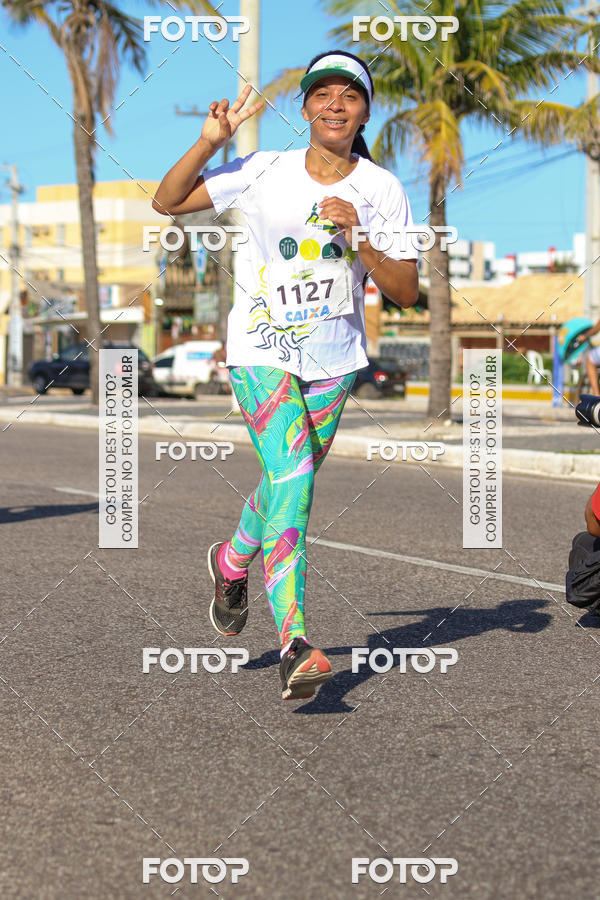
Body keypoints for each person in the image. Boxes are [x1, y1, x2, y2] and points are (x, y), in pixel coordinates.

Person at [152, 50, 419, 700]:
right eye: (323, 94)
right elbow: (168, 201)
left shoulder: (381, 188)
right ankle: (294, 642)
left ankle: (229, 561)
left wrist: (360, 239)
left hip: (335, 360)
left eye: (349, 96)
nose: (335, 105)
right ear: (304, 109)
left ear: (363, 112)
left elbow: (407, 291)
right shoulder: (263, 169)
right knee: (294, 475)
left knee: (282, 484)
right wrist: (207, 142)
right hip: (260, 348)